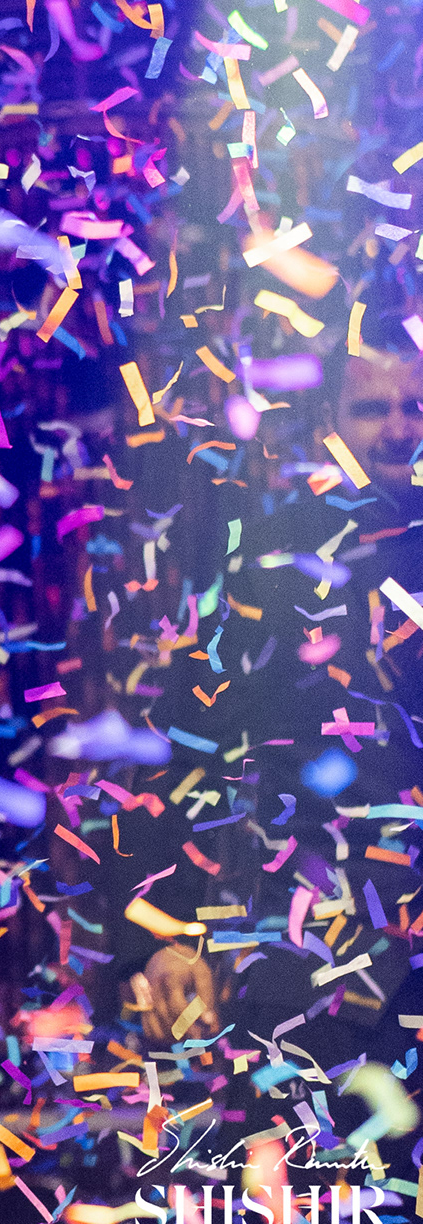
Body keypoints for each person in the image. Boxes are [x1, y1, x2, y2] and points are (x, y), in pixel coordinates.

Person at [109, 316, 423, 1135]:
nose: (399, 426)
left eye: (416, 406)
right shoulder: (278, 559)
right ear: (330, 422)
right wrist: (166, 929)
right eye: (373, 408)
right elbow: (195, 736)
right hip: (321, 962)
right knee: (329, 1220)